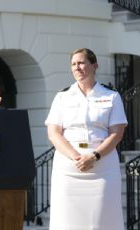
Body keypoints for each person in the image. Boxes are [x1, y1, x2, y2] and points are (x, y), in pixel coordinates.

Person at [45, 48, 127, 230]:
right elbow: (54, 133)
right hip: (69, 168)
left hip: (102, 167)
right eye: (74, 64)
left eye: (81, 63)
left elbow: (117, 133)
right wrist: (76, 157)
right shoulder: (62, 97)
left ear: (94, 66)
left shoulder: (111, 96)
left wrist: (94, 156)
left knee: (102, 220)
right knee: (67, 221)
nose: (77, 67)